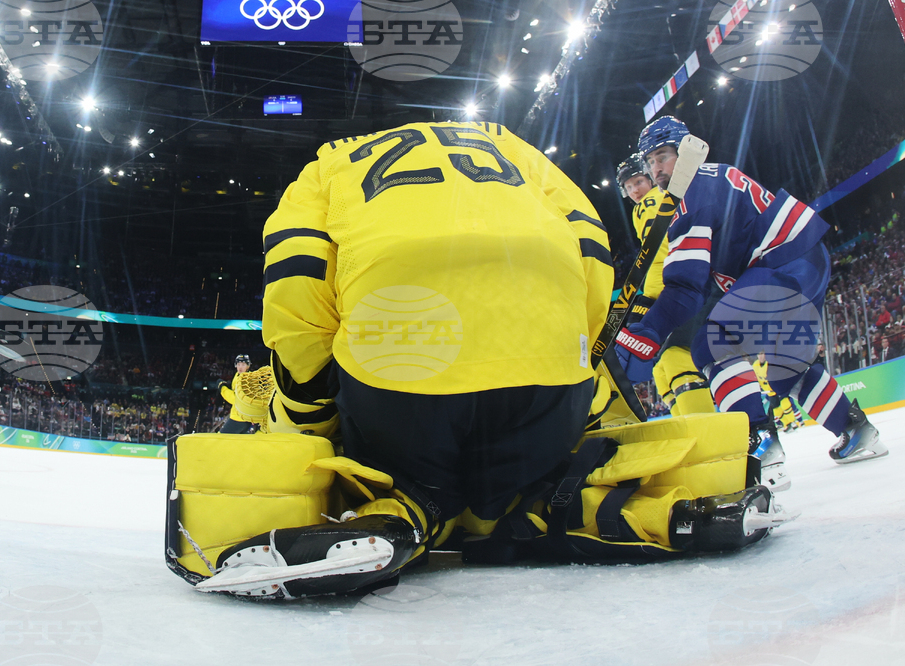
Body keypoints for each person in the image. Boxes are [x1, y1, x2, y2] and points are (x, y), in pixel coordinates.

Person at [185, 121, 788, 599]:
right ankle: (672, 509)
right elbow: (591, 247)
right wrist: (576, 362)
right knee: (535, 477)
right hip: (546, 374)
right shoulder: (512, 146)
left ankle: (399, 516)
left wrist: (316, 431)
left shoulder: (327, 168)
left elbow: (296, 284)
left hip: (405, 371)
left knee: (402, 466)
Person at [616, 116, 888, 478]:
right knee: (785, 371)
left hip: (782, 265)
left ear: (685, 149)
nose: (656, 168)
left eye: (662, 156)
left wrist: (649, 328)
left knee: (711, 346)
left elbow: (686, 286)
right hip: (804, 261)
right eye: (650, 161)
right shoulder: (717, 173)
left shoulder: (690, 196)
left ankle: (759, 442)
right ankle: (857, 431)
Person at [616, 153, 718, 419]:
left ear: (649, 179)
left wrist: (647, 298)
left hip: (684, 286)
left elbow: (660, 252)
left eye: (638, 181)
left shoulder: (650, 203)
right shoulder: (653, 203)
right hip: (693, 280)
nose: (634, 190)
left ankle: (704, 431)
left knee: (676, 357)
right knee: (662, 369)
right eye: (628, 187)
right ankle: (691, 426)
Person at [217, 354, 259, 434]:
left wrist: (222, 388)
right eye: (238, 364)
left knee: (221, 438)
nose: (240, 367)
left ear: (248, 366)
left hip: (240, 417)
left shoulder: (246, 380)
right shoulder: (238, 376)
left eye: (243, 364)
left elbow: (237, 400)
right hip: (242, 416)